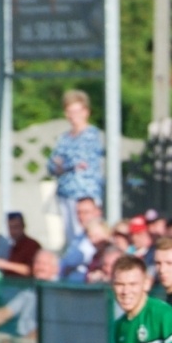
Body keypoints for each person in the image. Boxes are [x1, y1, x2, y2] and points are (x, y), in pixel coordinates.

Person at [48, 90, 105, 249]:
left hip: (85, 194)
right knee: (71, 237)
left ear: (86, 112)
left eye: (76, 111)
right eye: (69, 112)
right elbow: (52, 164)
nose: (73, 116)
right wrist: (64, 165)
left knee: (88, 234)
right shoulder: (64, 137)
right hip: (65, 193)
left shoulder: (91, 135)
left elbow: (80, 161)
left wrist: (63, 164)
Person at [0, 213, 42, 278]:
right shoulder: (12, 246)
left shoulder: (32, 245)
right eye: (10, 228)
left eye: (16, 227)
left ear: (23, 226)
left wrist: (4, 264)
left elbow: (32, 270)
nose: (13, 231)